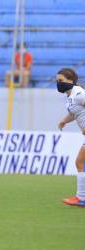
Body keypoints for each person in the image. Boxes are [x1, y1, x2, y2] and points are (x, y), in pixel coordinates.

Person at [56, 68, 85, 207]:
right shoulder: (70, 97)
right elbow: (75, 113)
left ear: (71, 81)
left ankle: (81, 198)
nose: (58, 83)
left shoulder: (79, 93)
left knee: (80, 162)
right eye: (57, 80)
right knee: (80, 163)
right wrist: (64, 121)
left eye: (60, 80)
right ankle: (81, 197)